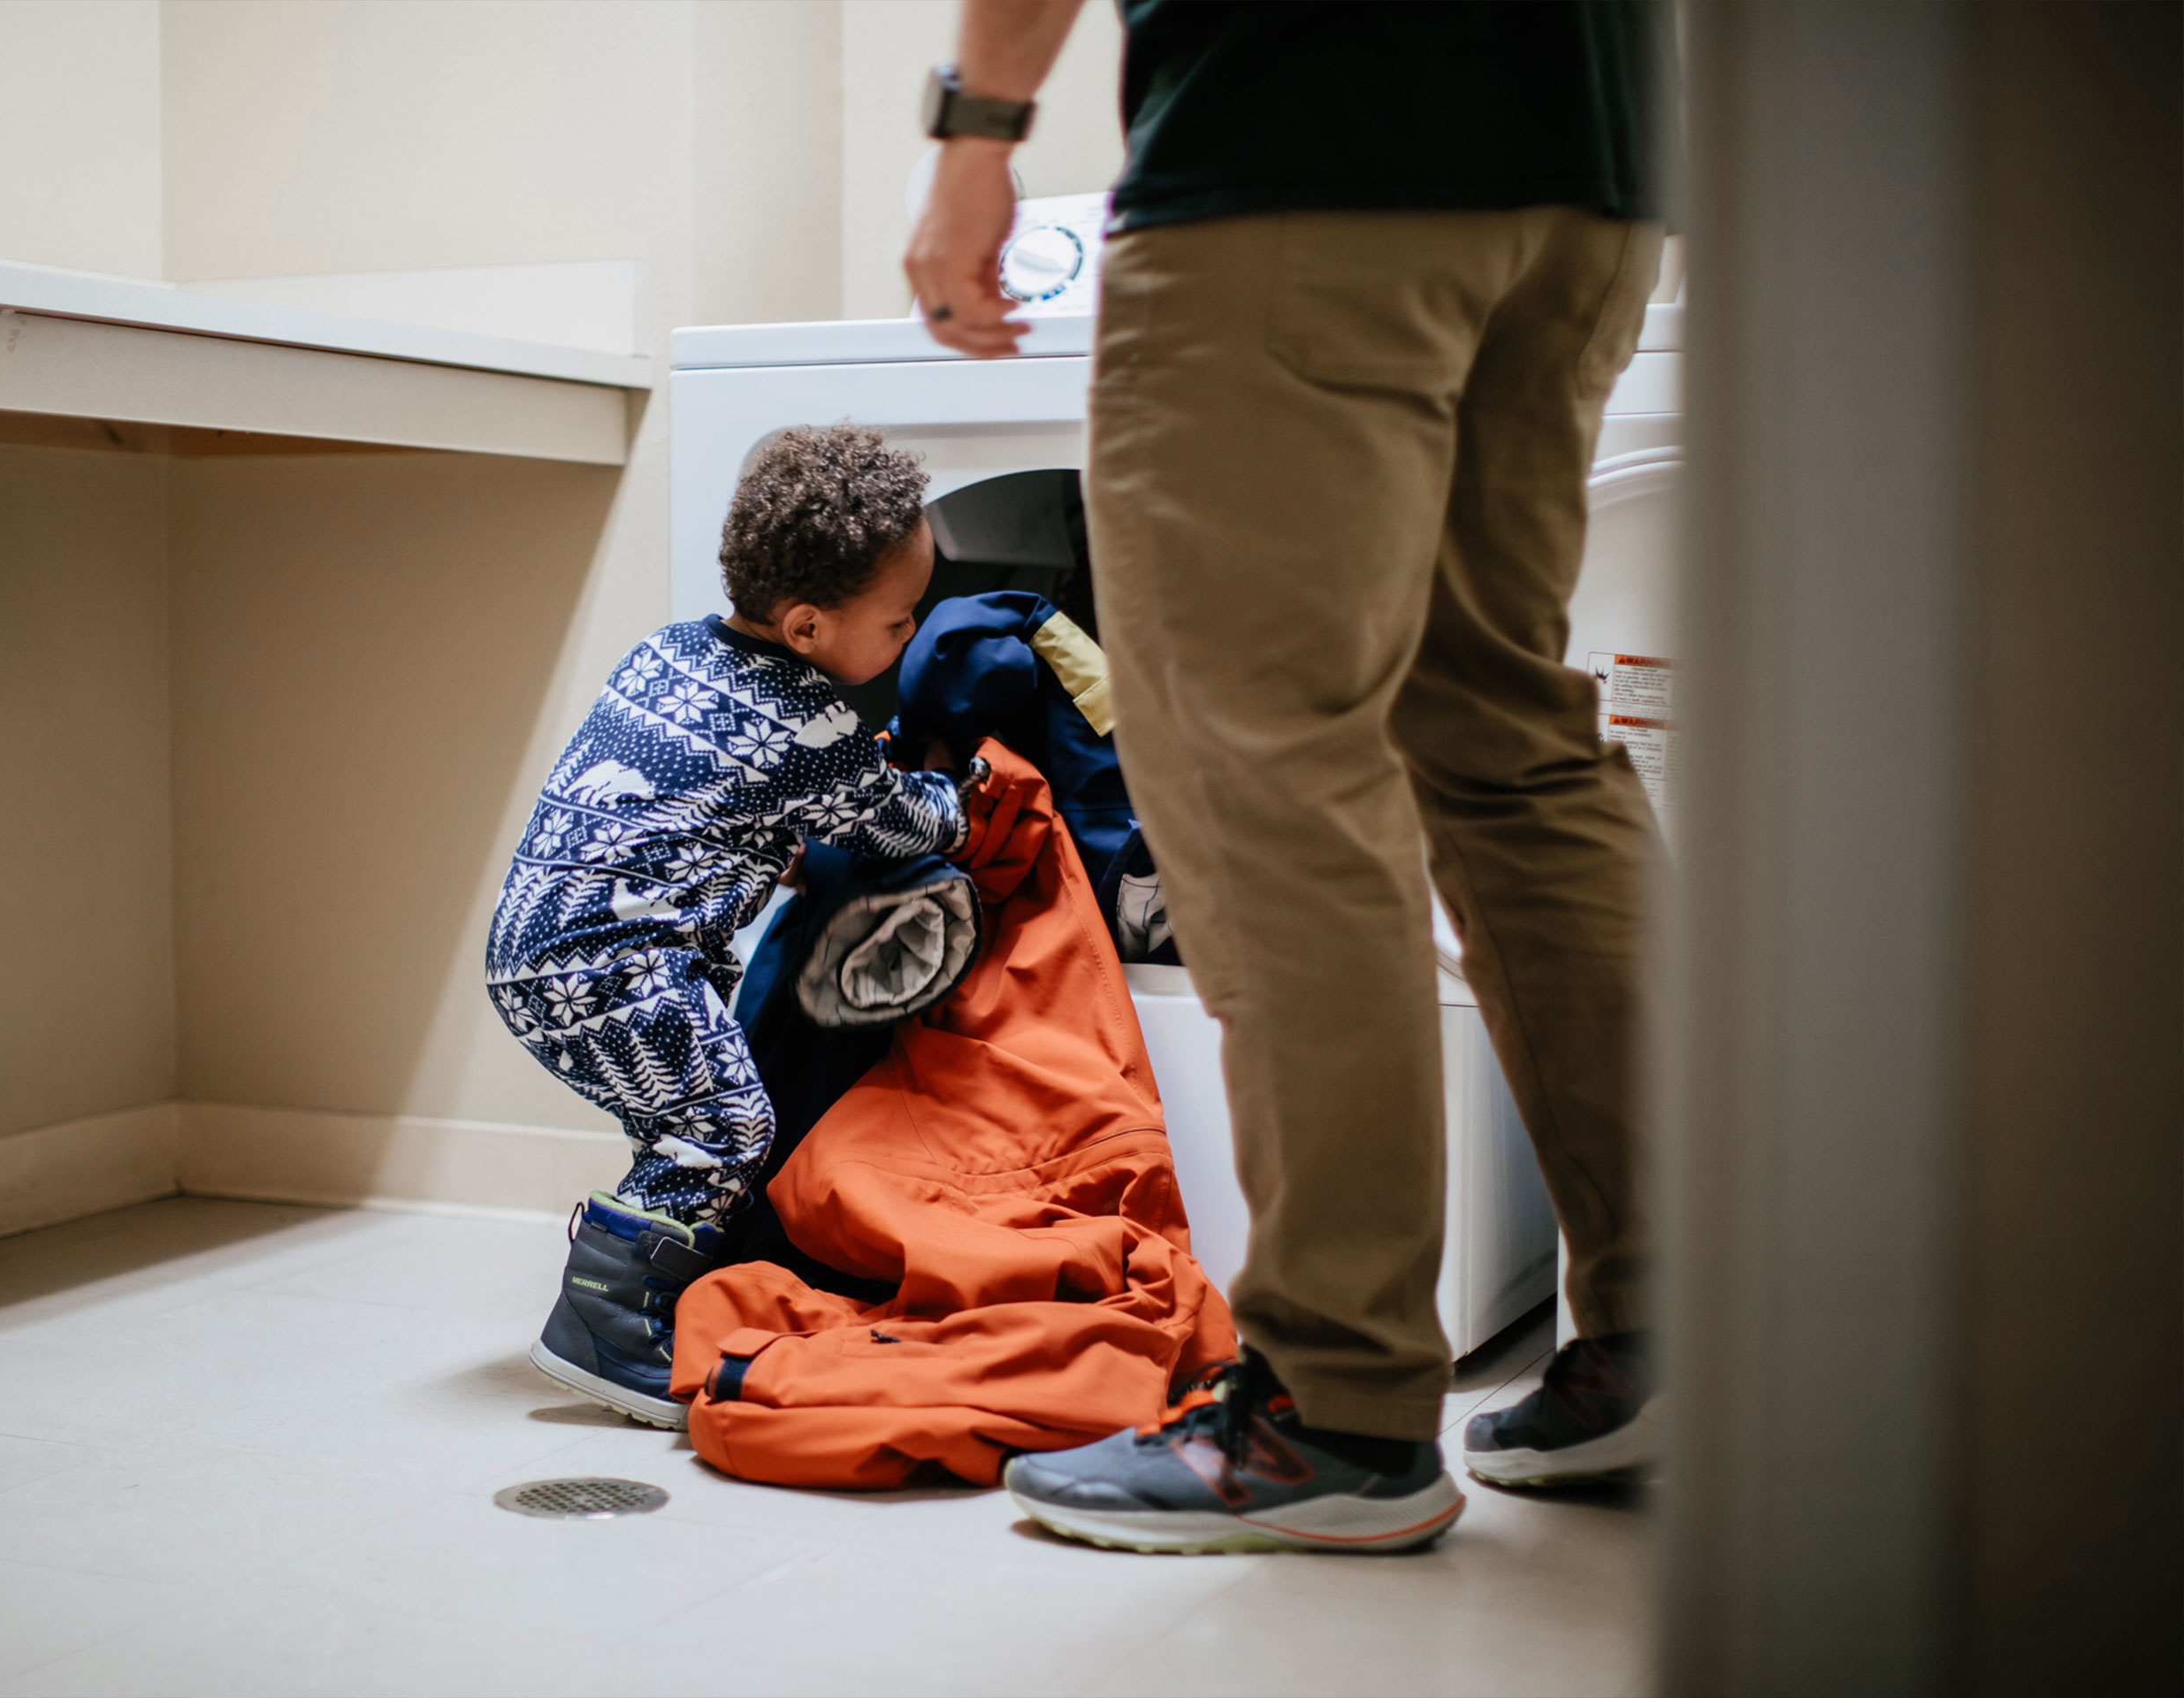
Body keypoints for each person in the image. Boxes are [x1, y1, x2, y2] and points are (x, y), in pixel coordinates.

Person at [906, 0, 1669, 1553]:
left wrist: (977, 132)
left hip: (1298, 154)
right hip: (1589, 170)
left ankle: (1337, 1405)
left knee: (1271, 775)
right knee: (1512, 741)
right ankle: (1677, 1340)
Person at [487, 424, 976, 1429]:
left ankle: (647, 1287)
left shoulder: (670, 653)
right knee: (726, 1128)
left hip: (535, 941)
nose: (908, 638)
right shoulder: (814, 724)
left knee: (682, 1130)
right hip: (615, 965)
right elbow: (903, 827)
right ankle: (601, 1331)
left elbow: (693, 803)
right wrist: (970, 784)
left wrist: (775, 846)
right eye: (899, 623)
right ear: (806, 628)